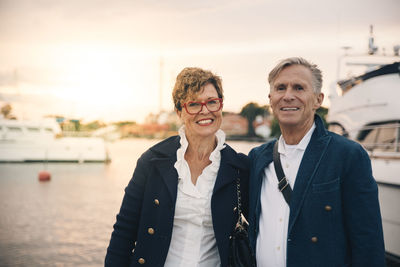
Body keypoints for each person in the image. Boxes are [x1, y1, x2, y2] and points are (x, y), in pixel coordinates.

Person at [248, 57, 385, 267]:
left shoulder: (348, 156)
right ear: (270, 99)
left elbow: (368, 245)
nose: (288, 96)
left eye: (299, 88)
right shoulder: (257, 158)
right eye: (280, 88)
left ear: (318, 100)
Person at [105, 67, 249, 267]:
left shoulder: (238, 168)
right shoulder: (152, 162)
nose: (205, 110)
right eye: (193, 104)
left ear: (220, 105)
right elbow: (124, 231)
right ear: (179, 112)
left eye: (212, 102)